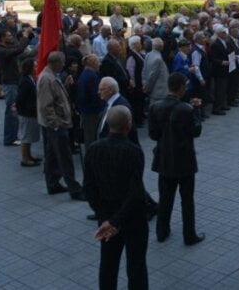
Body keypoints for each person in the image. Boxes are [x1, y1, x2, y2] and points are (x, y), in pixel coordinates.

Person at [84, 105, 149, 290]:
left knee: (108, 266)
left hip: (106, 218)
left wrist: (106, 219)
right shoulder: (134, 151)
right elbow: (136, 192)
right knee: (136, 267)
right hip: (133, 219)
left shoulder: (94, 149)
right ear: (128, 125)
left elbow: (89, 188)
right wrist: (116, 221)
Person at [148, 72, 205, 245]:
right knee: (187, 199)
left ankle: (161, 231)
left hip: (164, 159)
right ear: (180, 88)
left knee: (165, 198)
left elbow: (153, 134)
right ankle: (189, 235)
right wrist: (196, 110)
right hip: (184, 160)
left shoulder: (155, 107)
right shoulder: (186, 109)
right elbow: (196, 131)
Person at [37, 51, 86, 201]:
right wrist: (55, 124)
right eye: (62, 62)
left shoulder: (52, 76)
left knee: (52, 155)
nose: (64, 65)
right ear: (55, 63)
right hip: (56, 125)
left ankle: (52, 183)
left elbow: (55, 96)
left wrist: (65, 86)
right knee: (65, 157)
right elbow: (47, 105)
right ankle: (74, 189)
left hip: (55, 124)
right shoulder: (47, 78)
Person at [0, 28, 32, 146]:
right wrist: (25, 36)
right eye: (8, 35)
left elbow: (20, 49)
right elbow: (19, 49)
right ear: (2, 38)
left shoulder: (8, 48)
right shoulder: (2, 51)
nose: (11, 37)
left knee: (14, 110)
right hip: (10, 83)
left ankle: (13, 136)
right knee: (11, 111)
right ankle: (10, 138)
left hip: (14, 81)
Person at [15, 57, 42, 167]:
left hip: (30, 111)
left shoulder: (30, 78)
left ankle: (29, 155)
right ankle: (25, 159)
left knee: (29, 135)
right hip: (26, 113)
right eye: (34, 66)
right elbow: (21, 97)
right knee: (26, 136)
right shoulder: (25, 81)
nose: (36, 68)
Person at [142, 37, 169, 105]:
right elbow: (152, 76)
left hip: (152, 91)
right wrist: (147, 88)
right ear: (162, 47)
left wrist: (144, 84)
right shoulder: (158, 59)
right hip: (158, 93)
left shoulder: (148, 55)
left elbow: (144, 71)